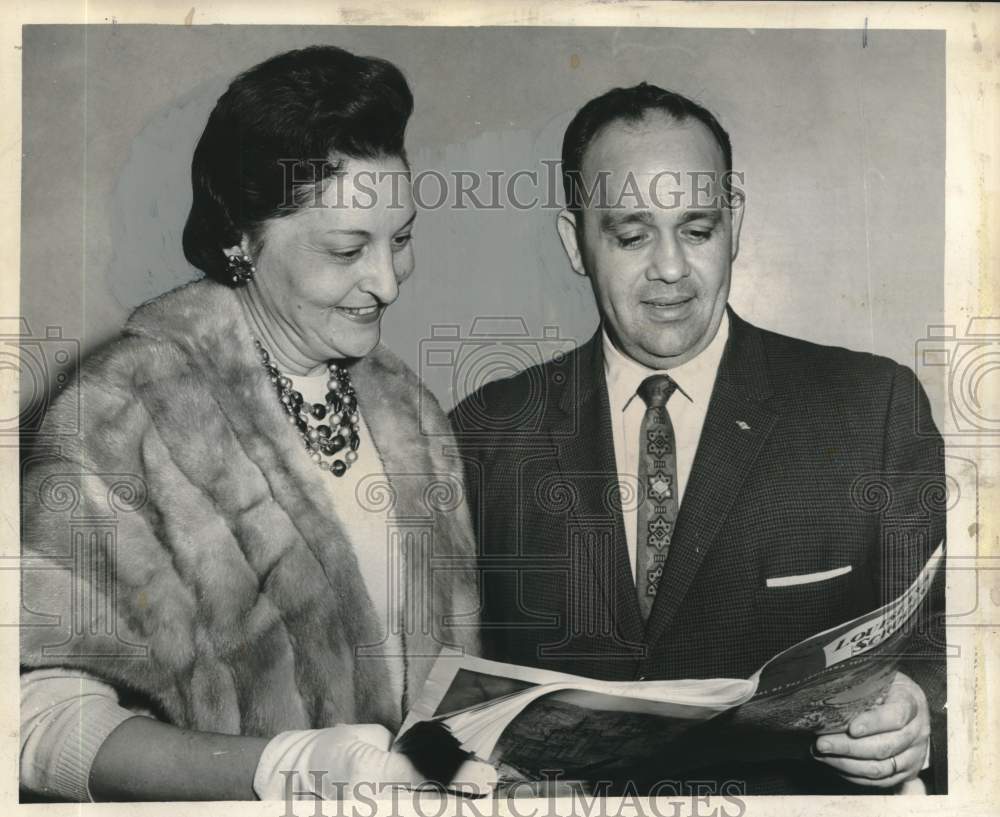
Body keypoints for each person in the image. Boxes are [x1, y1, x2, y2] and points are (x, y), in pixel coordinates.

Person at [19, 45, 491, 802]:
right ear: (242, 238)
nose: (387, 281)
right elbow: (33, 727)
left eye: (400, 238)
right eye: (346, 249)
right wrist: (284, 769)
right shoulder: (121, 411)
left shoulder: (410, 413)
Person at [450, 83, 946, 795]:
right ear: (574, 242)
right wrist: (473, 774)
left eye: (698, 228)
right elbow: (429, 700)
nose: (671, 269)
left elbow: (958, 645)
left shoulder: (872, 408)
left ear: (735, 223)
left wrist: (919, 710)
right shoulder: (485, 432)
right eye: (630, 234)